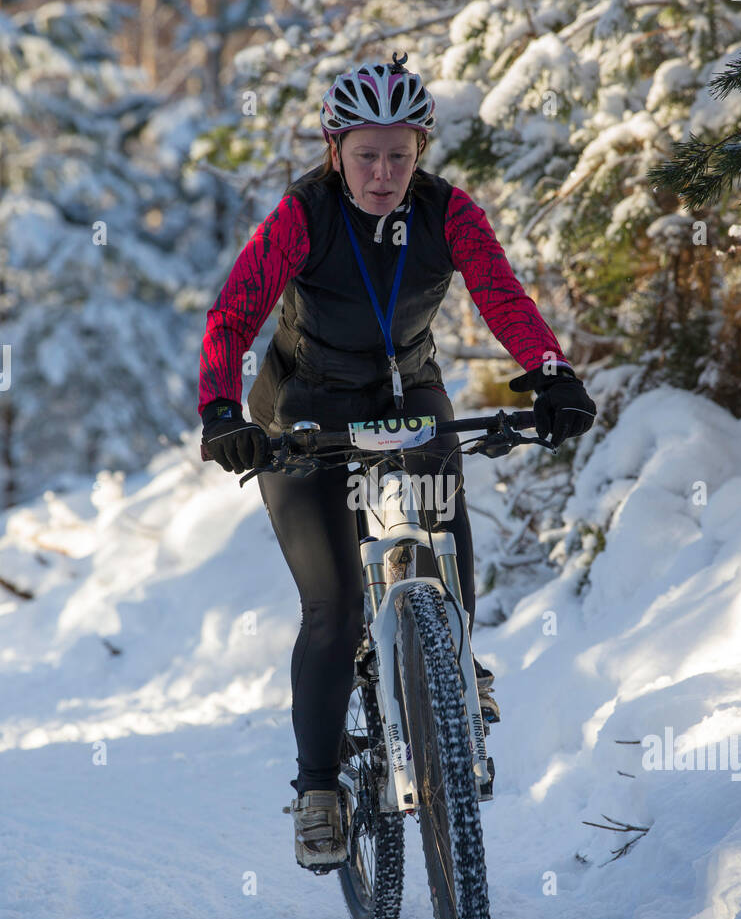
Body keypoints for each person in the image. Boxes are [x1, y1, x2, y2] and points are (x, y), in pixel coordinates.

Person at [198, 53, 596, 871]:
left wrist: (549, 373)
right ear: (333, 145)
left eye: (399, 156)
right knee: (335, 608)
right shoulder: (301, 216)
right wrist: (222, 413)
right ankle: (318, 791)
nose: (382, 174)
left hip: (406, 393)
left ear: (421, 150)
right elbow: (232, 315)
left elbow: (502, 296)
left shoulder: (449, 213)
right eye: (365, 154)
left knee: (443, 527)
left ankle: (452, 661)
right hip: (303, 409)